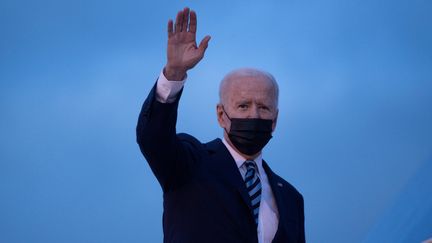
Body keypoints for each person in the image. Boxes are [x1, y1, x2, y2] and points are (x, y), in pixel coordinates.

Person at [136, 7, 305, 243]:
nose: (253, 115)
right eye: (243, 106)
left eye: (264, 108)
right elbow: (153, 138)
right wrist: (174, 73)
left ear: (275, 120)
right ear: (220, 114)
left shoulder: (291, 198)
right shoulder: (189, 164)